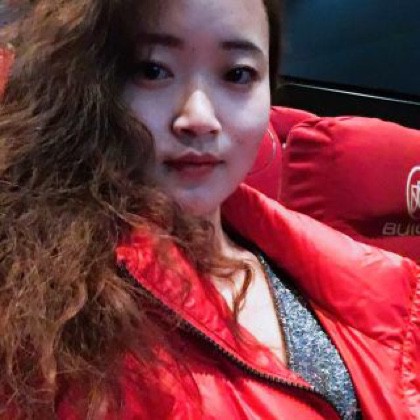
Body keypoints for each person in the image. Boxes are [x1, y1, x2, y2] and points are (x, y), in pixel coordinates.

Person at [0, 0, 418, 418]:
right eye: (153, 70)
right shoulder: (36, 309)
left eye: (237, 75)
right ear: (88, 84)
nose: (199, 117)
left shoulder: (373, 283)